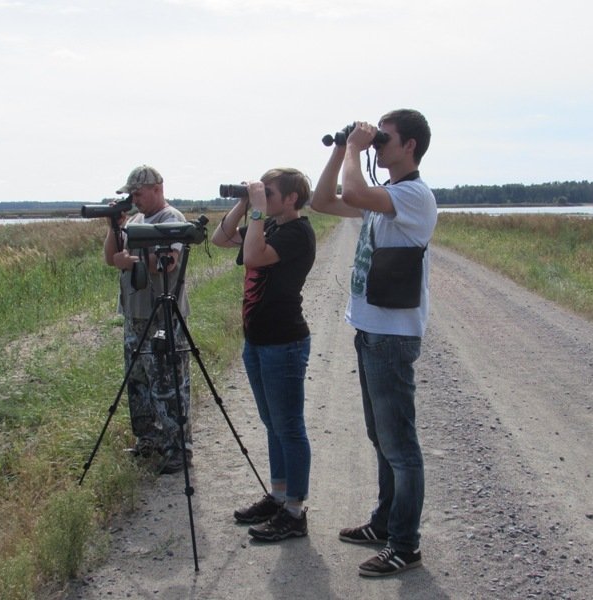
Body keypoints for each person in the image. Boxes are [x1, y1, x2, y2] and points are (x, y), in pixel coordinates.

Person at [311, 110, 437, 576]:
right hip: (371, 330)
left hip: (393, 336)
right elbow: (325, 200)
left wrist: (354, 150)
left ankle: (406, 543)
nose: (377, 147)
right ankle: (384, 523)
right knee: (380, 438)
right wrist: (338, 150)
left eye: (386, 140)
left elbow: (355, 191)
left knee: (400, 446)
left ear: (410, 146)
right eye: (375, 140)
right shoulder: (385, 199)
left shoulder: (413, 195)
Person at [210, 168, 316, 542]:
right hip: (257, 341)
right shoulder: (268, 226)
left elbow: (253, 256)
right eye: (262, 193)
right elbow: (221, 238)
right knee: (273, 425)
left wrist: (256, 211)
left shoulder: (297, 234)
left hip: (284, 343)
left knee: (289, 427)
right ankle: (278, 496)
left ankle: (294, 512)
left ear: (291, 198)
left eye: (269, 194)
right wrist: (244, 203)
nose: (264, 199)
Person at [103, 165, 192, 475]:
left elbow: (169, 262)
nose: (134, 199)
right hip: (134, 315)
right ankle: (148, 440)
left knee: (167, 384)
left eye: (138, 193)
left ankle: (177, 448)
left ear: (157, 188)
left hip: (162, 315)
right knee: (138, 383)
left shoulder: (172, 219)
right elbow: (110, 257)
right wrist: (115, 226)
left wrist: (131, 261)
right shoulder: (136, 220)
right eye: (130, 194)